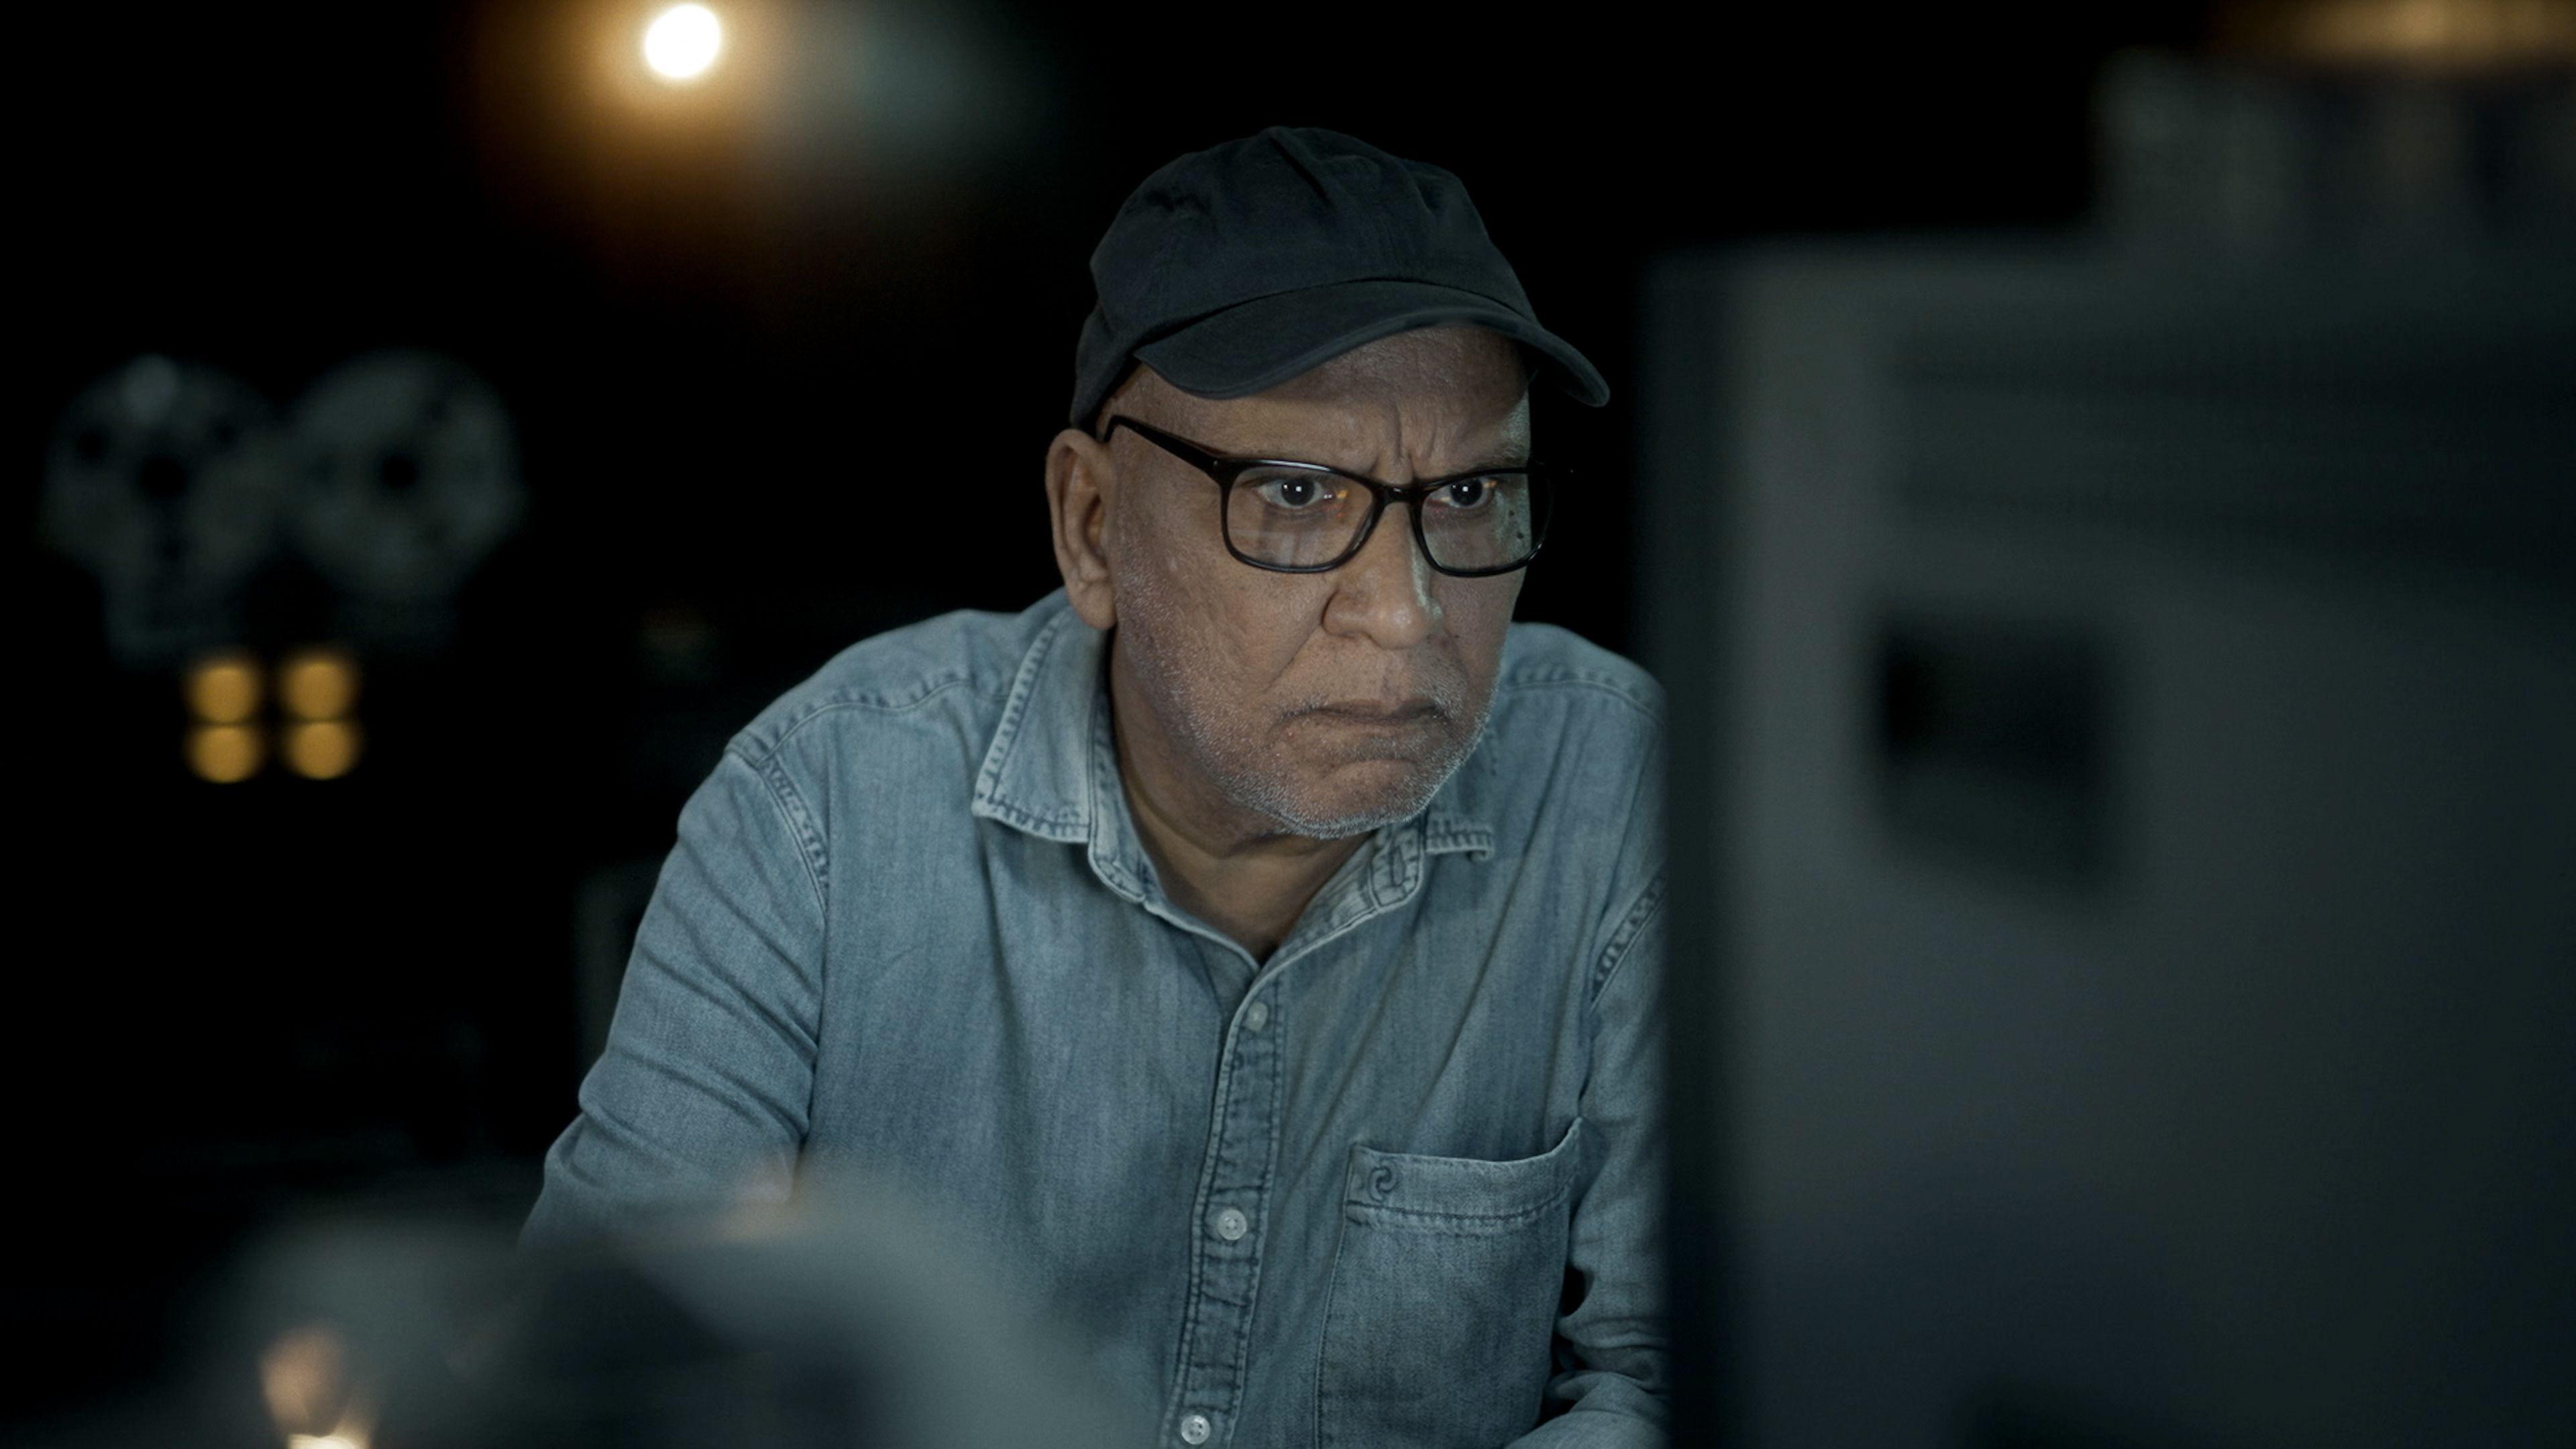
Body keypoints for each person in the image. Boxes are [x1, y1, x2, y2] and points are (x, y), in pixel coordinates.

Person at [525, 125, 1668, 1448]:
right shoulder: (823, 810)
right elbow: (609, 1386)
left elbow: (1672, 1371)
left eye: (1470, 492)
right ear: (1092, 527)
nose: (1408, 616)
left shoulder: (1617, 797)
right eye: (1294, 494)